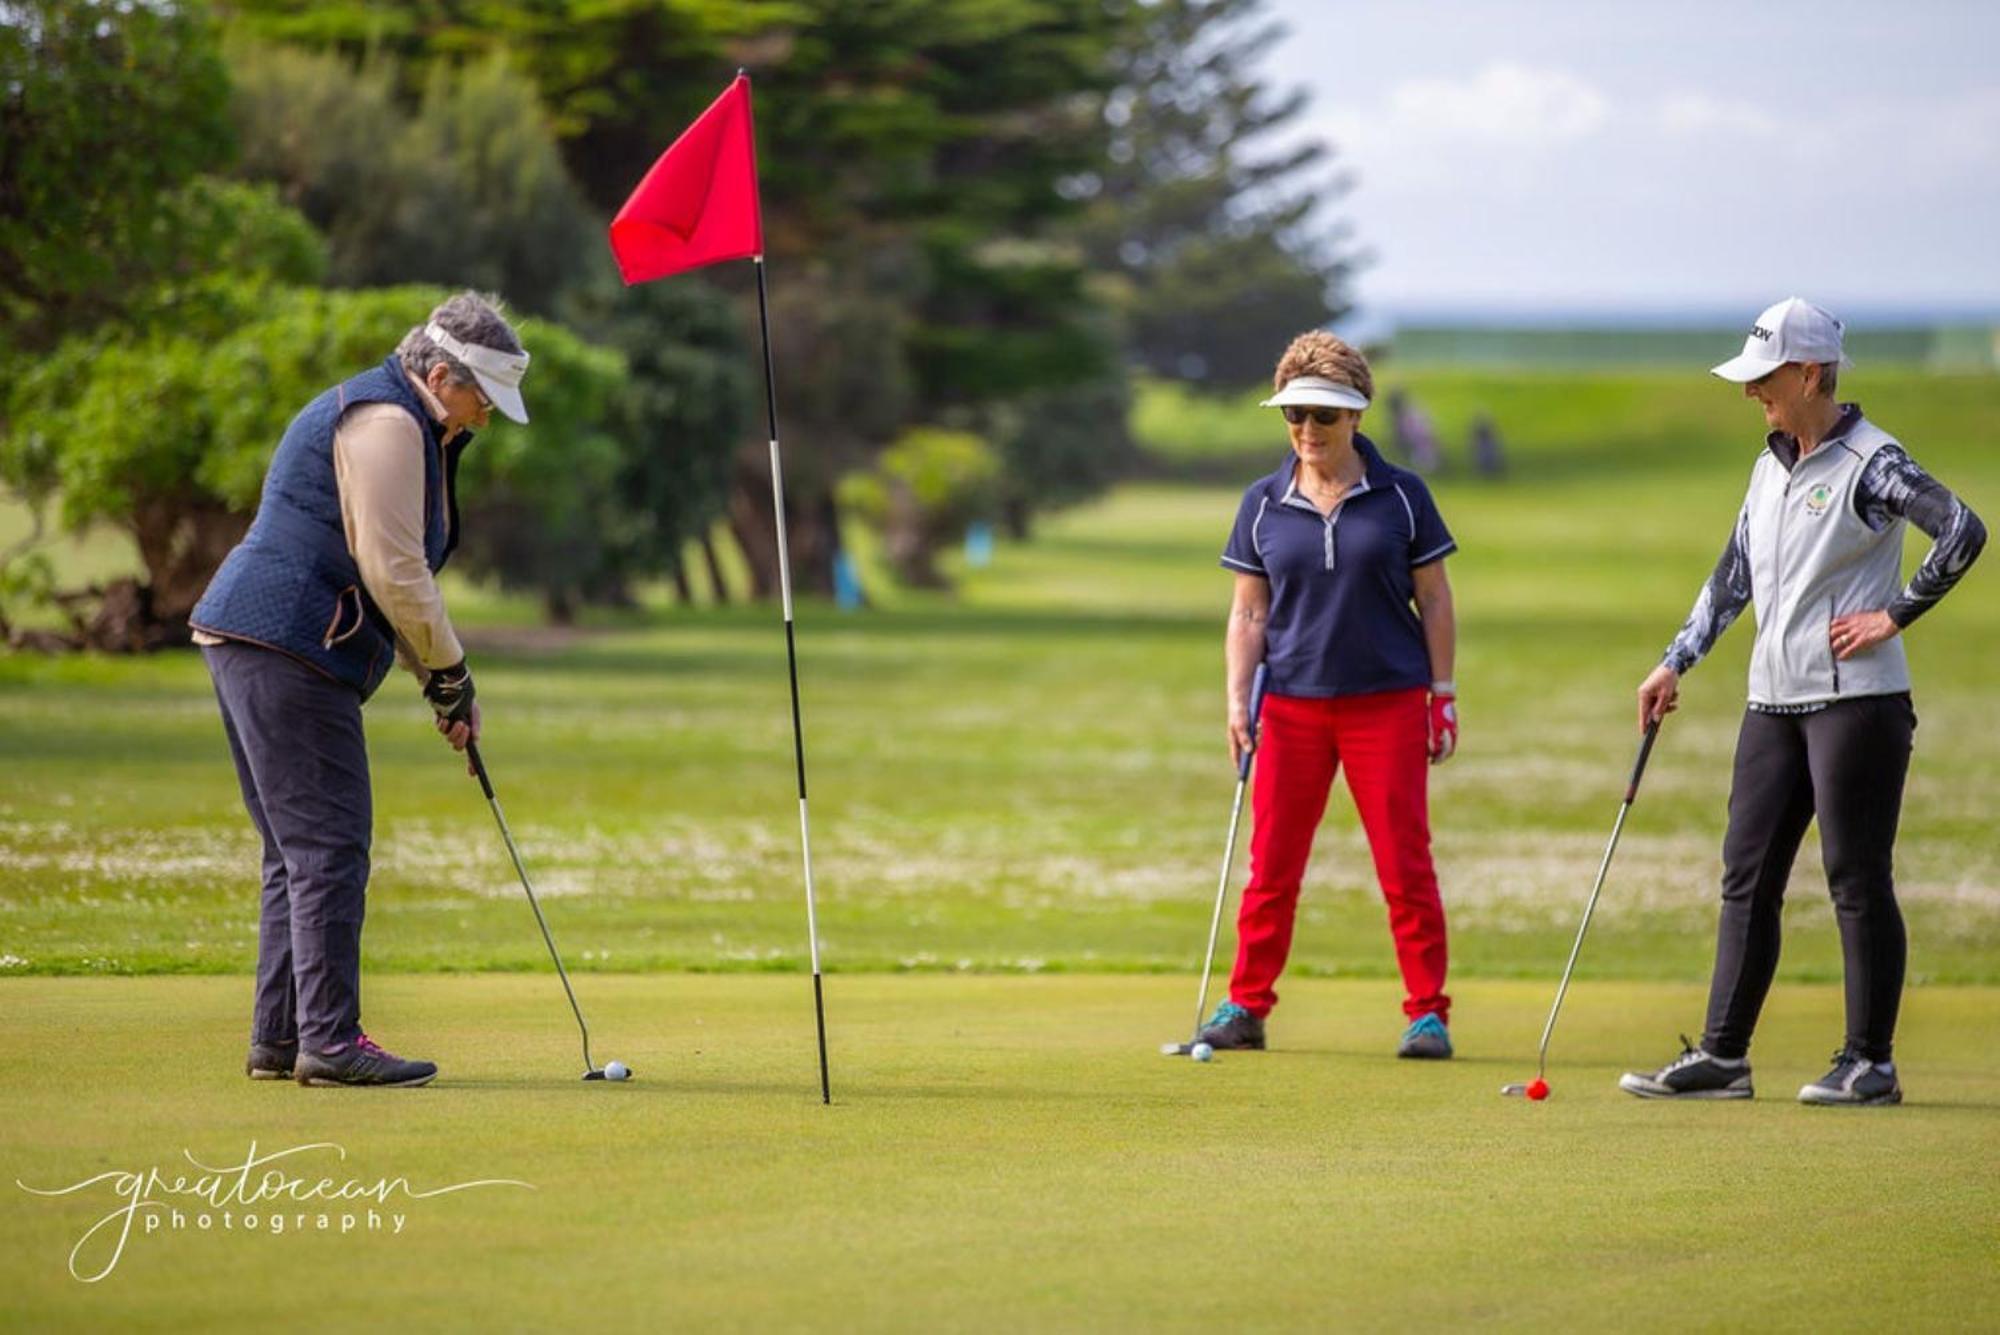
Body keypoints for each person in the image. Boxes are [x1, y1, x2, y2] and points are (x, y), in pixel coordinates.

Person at [1621, 298, 1984, 1106]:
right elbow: (1734, 576)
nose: (1754, 393)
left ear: (1810, 372)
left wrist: (1894, 613)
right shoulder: (1769, 463)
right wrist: (1674, 660)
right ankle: (1723, 1055)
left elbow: (1961, 529)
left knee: (1855, 876)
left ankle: (1870, 1062)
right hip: (1771, 699)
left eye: (1766, 378)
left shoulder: (1872, 459)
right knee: (1746, 876)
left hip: (1857, 702)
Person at [189, 292, 532, 1088]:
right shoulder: (385, 421)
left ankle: (281, 1040)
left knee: (294, 853)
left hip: (261, 640)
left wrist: (440, 689)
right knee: (329, 845)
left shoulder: (410, 420)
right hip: (286, 643)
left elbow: (387, 584)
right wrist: (450, 673)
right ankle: (331, 1042)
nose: (482, 416)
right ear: (439, 373)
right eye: (479, 396)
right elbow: (394, 570)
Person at [1199, 332, 1461, 1059]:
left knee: (1405, 865)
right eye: (1295, 417)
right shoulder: (1262, 503)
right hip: (1288, 705)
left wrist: (1442, 693)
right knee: (1272, 867)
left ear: (1356, 418)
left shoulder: (1403, 496)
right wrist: (1233, 702)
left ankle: (1427, 1012)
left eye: (1324, 416)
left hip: (1388, 699)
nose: (1307, 431)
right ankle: (1246, 1004)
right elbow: (1249, 613)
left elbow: (1435, 600)